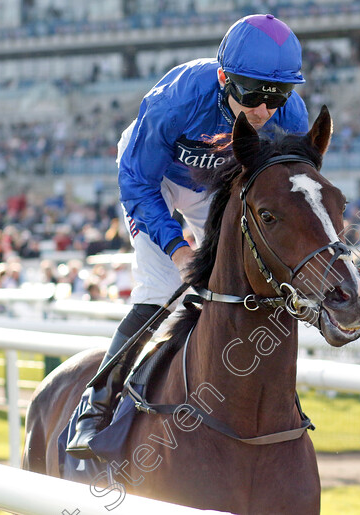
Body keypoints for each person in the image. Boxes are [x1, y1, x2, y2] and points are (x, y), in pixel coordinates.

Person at [66, 13, 310, 457]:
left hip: (218, 183)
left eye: (278, 95)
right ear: (223, 78)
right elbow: (137, 182)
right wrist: (178, 248)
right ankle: (95, 405)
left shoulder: (289, 116)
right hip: (153, 176)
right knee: (163, 288)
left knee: (250, 276)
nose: (264, 110)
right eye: (253, 93)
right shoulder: (175, 101)